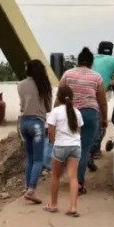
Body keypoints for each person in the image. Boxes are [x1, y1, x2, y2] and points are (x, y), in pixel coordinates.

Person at [58, 47, 108, 195]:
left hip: (69, 113)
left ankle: (66, 176)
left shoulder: (68, 74)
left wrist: (54, 115)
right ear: (91, 63)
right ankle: (79, 183)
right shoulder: (97, 77)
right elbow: (102, 101)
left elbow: (59, 95)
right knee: (83, 149)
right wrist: (104, 119)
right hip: (89, 114)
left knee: (68, 145)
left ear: (78, 62)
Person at [44, 85, 84, 217]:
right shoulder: (77, 112)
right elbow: (79, 131)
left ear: (58, 97)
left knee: (55, 176)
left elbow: (50, 130)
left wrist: (53, 142)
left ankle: (53, 205)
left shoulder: (55, 112)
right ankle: (73, 207)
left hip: (60, 146)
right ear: (72, 97)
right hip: (75, 146)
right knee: (73, 177)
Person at [17, 59, 53, 204]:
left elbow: (22, 105)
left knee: (30, 158)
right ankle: (31, 190)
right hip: (37, 124)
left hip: (23, 123)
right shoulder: (44, 85)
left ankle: (28, 188)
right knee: (39, 159)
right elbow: (49, 108)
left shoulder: (20, 85)